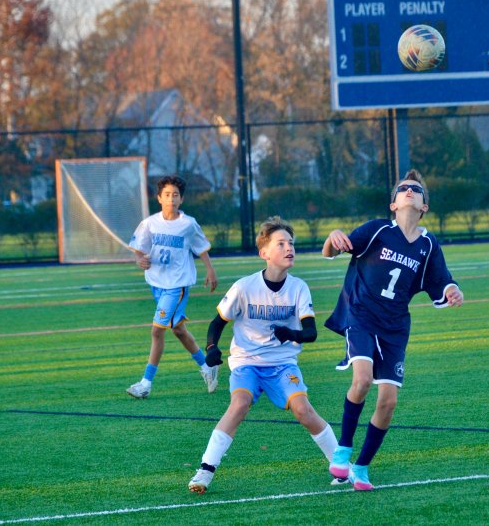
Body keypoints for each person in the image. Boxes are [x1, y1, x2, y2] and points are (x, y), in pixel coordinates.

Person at [322, 169, 464, 491]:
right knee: (361, 379)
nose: (409, 191)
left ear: (424, 206)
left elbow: (441, 281)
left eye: (416, 190)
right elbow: (331, 251)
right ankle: (342, 452)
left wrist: (453, 290)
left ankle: (362, 467)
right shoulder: (376, 230)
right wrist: (332, 238)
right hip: (361, 315)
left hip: (395, 327)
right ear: (393, 203)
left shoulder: (428, 245)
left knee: (388, 402)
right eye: (403, 189)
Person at [187, 217, 339, 494]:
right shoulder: (244, 287)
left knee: (303, 410)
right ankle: (205, 471)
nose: (289, 247)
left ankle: (340, 466)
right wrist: (211, 349)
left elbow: (311, 332)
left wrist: (289, 334)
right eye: (280, 243)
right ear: (264, 253)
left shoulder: (298, 288)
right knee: (240, 403)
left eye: (291, 243)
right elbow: (217, 322)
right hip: (247, 363)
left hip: (282, 365)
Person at [126, 175, 219, 398]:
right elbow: (139, 248)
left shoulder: (188, 224)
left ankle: (145, 383)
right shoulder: (150, 223)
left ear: (181, 199)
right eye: (167, 195)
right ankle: (207, 367)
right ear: (159, 198)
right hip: (156, 284)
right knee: (178, 330)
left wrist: (210, 269)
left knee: (157, 331)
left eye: (175, 195)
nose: (171, 199)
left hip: (177, 286)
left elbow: (201, 248)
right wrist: (139, 259)